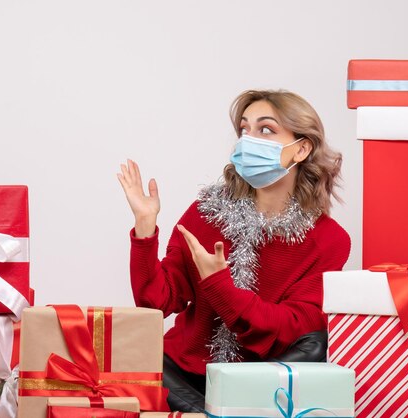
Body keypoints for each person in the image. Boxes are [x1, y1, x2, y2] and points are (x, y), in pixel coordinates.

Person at [118, 89, 351, 412]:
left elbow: (290, 327)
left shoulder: (329, 239)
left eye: (265, 129)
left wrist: (220, 286)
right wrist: (145, 226)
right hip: (182, 374)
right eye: (244, 129)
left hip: (260, 380)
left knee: (318, 342)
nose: (248, 140)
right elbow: (156, 301)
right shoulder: (205, 212)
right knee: (135, 356)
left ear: (301, 149)